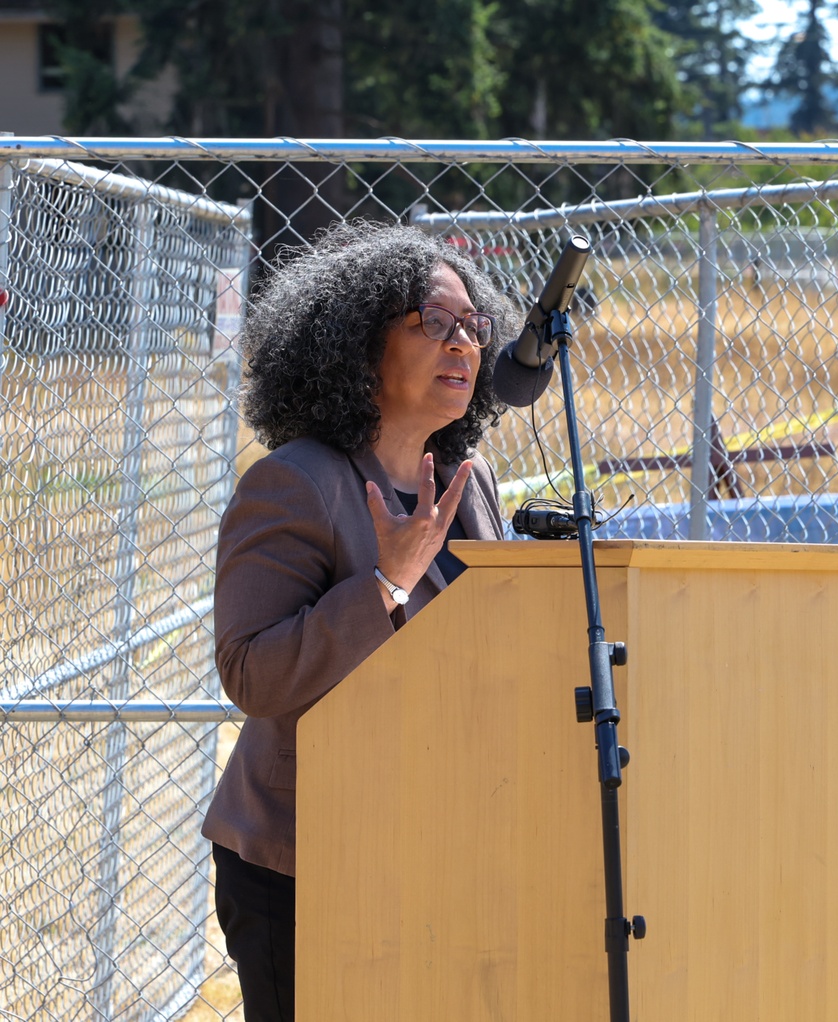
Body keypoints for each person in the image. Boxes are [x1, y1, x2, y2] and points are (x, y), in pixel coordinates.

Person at [202, 220, 517, 1021]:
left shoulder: (464, 483)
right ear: (355, 344)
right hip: (306, 863)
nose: (463, 345)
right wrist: (384, 582)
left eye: (473, 329)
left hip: (435, 848)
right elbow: (253, 673)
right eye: (434, 324)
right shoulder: (294, 483)